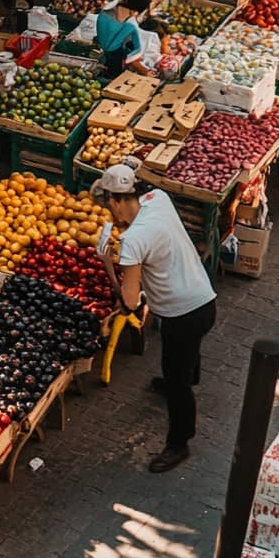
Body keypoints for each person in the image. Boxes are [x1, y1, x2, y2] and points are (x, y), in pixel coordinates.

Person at [92, 163, 217, 474]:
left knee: (177, 380)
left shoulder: (133, 240)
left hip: (181, 313)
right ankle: (191, 374)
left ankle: (179, 443)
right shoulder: (158, 199)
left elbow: (131, 301)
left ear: (113, 200)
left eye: (109, 203)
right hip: (204, 297)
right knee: (187, 353)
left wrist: (108, 263)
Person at [96, 0, 155, 77]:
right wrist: (144, 71)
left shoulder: (111, 8)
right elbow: (136, 49)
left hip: (105, 45)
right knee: (114, 73)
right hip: (112, 51)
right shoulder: (130, 23)